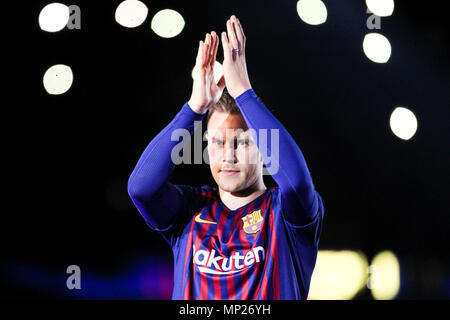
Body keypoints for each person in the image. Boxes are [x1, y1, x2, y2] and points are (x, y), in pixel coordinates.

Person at [128, 15, 324, 300]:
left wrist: (244, 93)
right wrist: (195, 108)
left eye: (242, 142)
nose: (228, 155)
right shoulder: (190, 210)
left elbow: (297, 184)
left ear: (264, 148)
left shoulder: (284, 211)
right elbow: (140, 188)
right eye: (217, 142)